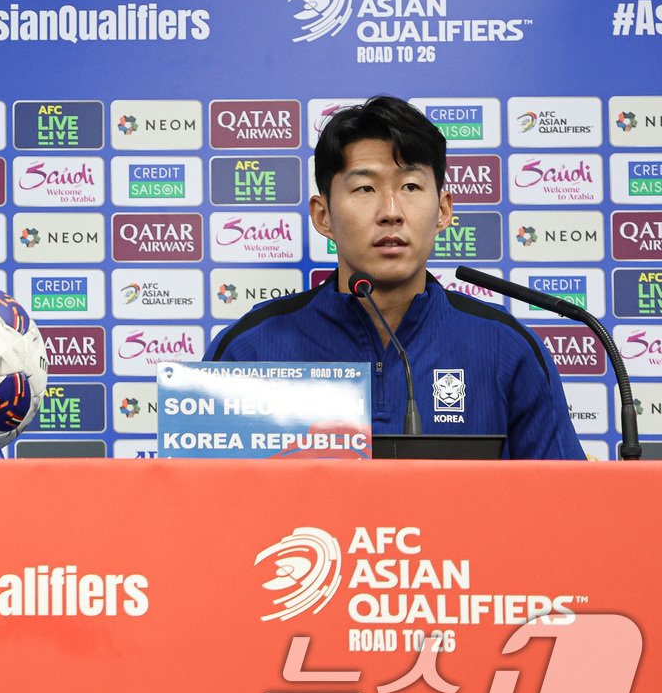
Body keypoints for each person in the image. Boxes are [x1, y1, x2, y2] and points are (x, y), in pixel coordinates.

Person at [205, 96, 583, 459]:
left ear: (443, 210)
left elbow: (565, 509)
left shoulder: (506, 349)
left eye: (411, 187)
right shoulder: (249, 350)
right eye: (365, 188)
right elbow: (197, 511)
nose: (390, 212)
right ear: (323, 216)